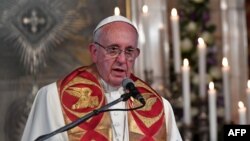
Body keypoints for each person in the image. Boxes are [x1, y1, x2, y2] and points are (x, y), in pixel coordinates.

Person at [21, 15, 182, 141]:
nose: (121, 59)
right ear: (94, 52)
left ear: (136, 55)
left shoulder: (159, 107)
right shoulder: (52, 98)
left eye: (129, 51)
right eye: (113, 49)